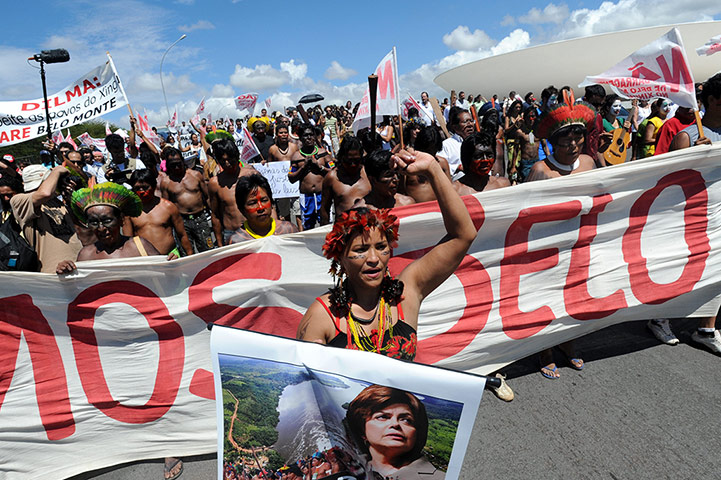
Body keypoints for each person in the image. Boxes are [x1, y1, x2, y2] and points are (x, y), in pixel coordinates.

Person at [297, 147, 476, 362]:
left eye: (381, 247)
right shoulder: (323, 315)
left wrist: (432, 168)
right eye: (360, 250)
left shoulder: (406, 294)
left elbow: (463, 235)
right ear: (340, 258)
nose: (374, 259)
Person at [649, 72, 721, 354]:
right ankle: (659, 318)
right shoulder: (687, 136)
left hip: (719, 214)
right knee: (681, 267)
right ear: (713, 100)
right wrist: (694, 157)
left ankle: (706, 328)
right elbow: (671, 181)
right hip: (691, 216)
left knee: (718, 271)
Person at [528, 101, 597, 378]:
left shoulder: (590, 163)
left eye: (577, 137)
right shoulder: (541, 170)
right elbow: (526, 212)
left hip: (581, 244)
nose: (573, 144)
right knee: (547, 299)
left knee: (574, 298)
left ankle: (568, 343)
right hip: (548, 248)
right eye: (565, 139)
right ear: (554, 143)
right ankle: (544, 349)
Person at [345, 385, 444, 479]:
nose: (395, 424)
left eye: (406, 420)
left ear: (417, 431)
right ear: (362, 429)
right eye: (382, 417)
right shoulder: (343, 464)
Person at [10, 165, 83, 272]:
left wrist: (70, 199)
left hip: (79, 267)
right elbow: (45, 193)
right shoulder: (18, 200)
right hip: (53, 273)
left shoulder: (57, 201)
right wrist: (57, 170)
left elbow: (80, 228)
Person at [159, 147, 221, 252]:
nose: (177, 167)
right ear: (168, 165)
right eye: (173, 164)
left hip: (200, 218)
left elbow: (207, 197)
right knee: (187, 252)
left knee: (208, 249)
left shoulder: (195, 175)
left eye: (179, 163)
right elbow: (166, 207)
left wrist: (215, 215)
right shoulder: (166, 182)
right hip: (181, 221)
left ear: (183, 161)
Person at [129, 169, 193, 258]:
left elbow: (182, 235)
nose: (142, 191)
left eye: (145, 187)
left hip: (171, 257)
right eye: (137, 188)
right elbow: (128, 242)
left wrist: (190, 258)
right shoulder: (129, 212)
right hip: (145, 261)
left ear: (154, 186)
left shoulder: (168, 207)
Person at [207, 134, 258, 244]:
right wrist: (220, 245)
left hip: (254, 231)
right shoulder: (215, 183)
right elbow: (215, 215)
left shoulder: (251, 174)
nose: (227, 164)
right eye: (222, 161)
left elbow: (267, 203)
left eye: (230, 160)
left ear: (237, 157)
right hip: (231, 234)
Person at [228, 174, 298, 243]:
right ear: (242, 209)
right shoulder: (236, 241)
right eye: (252, 203)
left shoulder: (288, 230)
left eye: (264, 200)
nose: (260, 208)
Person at [288, 124, 332, 230]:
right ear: (301, 138)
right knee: (308, 227)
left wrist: (319, 167)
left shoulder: (323, 153)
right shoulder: (296, 156)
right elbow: (291, 177)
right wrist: (303, 167)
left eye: (311, 135)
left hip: (322, 195)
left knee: (326, 225)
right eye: (305, 135)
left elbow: (334, 172)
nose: (309, 138)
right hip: (306, 197)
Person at [320, 134, 369, 225]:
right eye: (349, 161)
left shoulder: (369, 173)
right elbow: (324, 209)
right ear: (342, 158)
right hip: (343, 231)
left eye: (356, 160)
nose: (353, 165)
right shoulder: (331, 178)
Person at [437, 107, 474, 178]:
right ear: (455, 127)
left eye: (471, 121)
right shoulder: (446, 145)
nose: (470, 125)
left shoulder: (479, 142)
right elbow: (438, 165)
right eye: (465, 122)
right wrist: (457, 167)